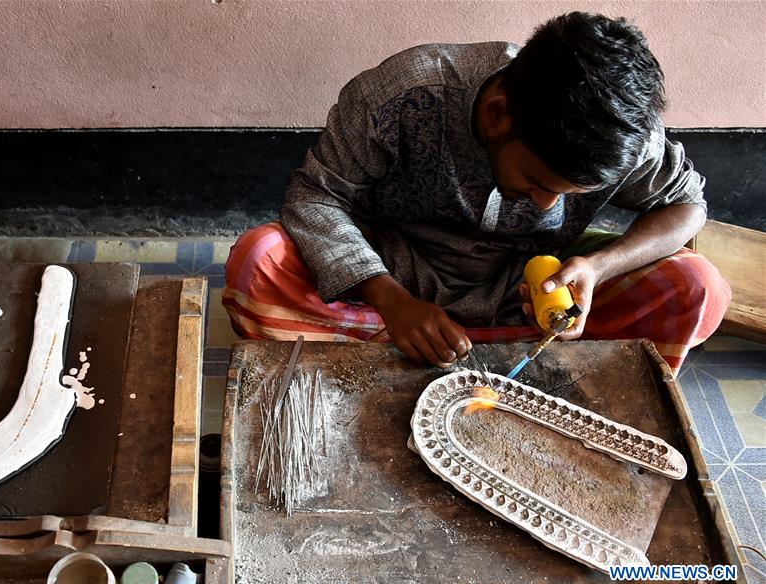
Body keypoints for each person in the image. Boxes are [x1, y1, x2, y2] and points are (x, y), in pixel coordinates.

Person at [223, 12, 730, 371]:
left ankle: (491, 354)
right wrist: (392, 301)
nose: (546, 205)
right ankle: (403, 337)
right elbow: (315, 195)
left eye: (567, 193)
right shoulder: (404, 93)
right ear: (497, 115)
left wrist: (596, 269)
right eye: (536, 182)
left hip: (529, 294)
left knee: (696, 288)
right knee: (258, 262)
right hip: (394, 275)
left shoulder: (624, 133)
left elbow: (687, 207)